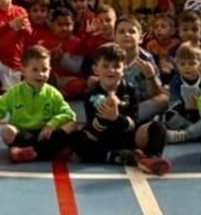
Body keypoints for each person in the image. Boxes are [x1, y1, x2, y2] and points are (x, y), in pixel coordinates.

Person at [72, 43, 171, 174]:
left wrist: (117, 117)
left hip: (128, 138)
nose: (111, 70)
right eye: (105, 66)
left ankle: (152, 158)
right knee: (77, 138)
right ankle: (119, 156)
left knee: (158, 127)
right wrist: (106, 117)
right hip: (103, 140)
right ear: (95, 69)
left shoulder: (130, 90)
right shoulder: (91, 94)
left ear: (123, 68)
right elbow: (93, 129)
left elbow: (133, 123)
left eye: (116, 66)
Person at [0, 45, 77, 163]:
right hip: (23, 135)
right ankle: (49, 152)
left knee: (71, 124)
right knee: (6, 131)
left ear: (50, 70)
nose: (40, 74)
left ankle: (27, 153)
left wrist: (51, 124)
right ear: (23, 71)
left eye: (44, 70)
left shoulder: (52, 93)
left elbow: (69, 115)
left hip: (45, 134)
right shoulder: (14, 93)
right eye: (35, 70)